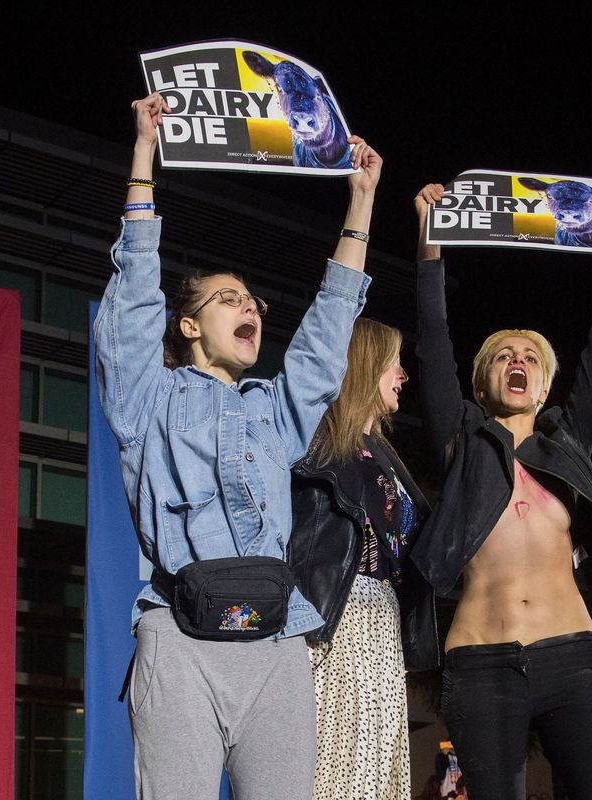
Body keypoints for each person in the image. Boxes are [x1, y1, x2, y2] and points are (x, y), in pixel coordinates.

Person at [93, 91, 379, 799]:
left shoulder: (274, 410)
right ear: (188, 327)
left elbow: (325, 337)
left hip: (278, 642)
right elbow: (133, 298)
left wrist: (361, 203)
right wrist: (142, 157)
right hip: (180, 636)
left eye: (252, 299)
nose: (248, 306)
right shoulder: (147, 395)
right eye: (227, 300)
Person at [410, 183, 592, 799]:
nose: (517, 360)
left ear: (543, 387)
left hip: (572, 657)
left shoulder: (567, 443)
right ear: (482, 384)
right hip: (479, 664)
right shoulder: (461, 439)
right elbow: (433, 339)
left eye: (530, 358)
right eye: (502, 356)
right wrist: (430, 238)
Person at [288, 317, 438, 799]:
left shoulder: (383, 453)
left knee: (376, 770)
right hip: (341, 615)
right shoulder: (322, 440)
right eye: (394, 362)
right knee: (342, 767)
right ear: (365, 365)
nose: (403, 374)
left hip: (382, 619)